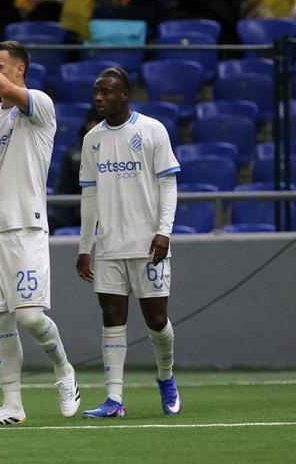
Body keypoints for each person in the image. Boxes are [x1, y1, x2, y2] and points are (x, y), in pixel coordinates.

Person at [0, 24, 81, 427]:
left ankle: (64, 371)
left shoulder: (38, 104)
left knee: (30, 317)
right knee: (1, 322)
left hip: (25, 226)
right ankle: (12, 406)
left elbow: (2, 87)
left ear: (20, 70)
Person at [76, 67, 181, 418]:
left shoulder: (151, 130)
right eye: (96, 91)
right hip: (109, 247)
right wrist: (84, 246)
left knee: (156, 320)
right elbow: (89, 196)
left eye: (106, 92)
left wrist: (164, 230)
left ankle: (165, 377)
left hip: (148, 245)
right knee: (112, 317)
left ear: (124, 95)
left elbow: (168, 184)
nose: (99, 98)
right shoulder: (92, 139)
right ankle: (114, 399)